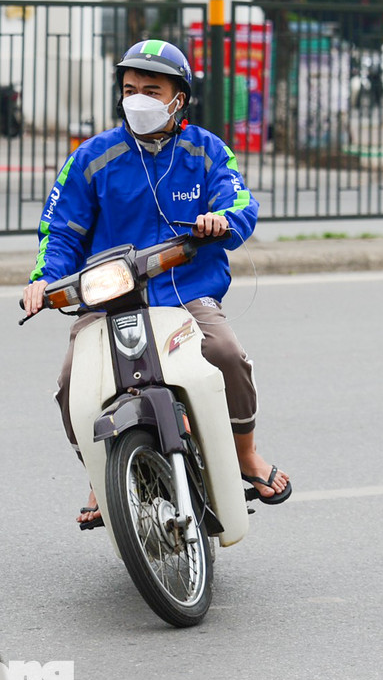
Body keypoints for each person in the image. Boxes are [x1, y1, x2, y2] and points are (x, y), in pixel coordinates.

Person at [21, 38, 291, 525]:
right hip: (108, 302)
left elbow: (240, 203)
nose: (137, 98)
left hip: (188, 295)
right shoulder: (93, 157)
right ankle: (100, 477)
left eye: (150, 89)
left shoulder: (206, 151)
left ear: (177, 99)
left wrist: (221, 221)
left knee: (227, 353)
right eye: (129, 88)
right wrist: (44, 279)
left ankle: (246, 453)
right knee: (70, 384)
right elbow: (60, 229)